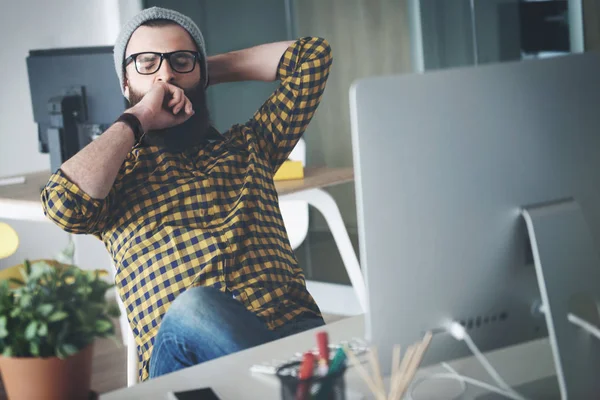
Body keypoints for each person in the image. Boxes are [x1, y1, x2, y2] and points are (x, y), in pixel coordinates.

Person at [41, 7, 332, 381]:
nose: (166, 75)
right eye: (146, 63)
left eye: (181, 61)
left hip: (293, 341)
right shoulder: (116, 179)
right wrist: (140, 116)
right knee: (195, 306)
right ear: (124, 84)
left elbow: (313, 58)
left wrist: (199, 70)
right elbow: (64, 205)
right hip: (186, 365)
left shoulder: (251, 147)